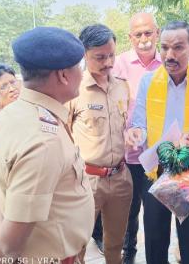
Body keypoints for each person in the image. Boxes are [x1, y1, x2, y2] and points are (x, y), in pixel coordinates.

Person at [0, 27, 95, 263]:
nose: (83, 74)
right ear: (64, 75)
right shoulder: (44, 142)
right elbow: (6, 248)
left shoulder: (13, 113)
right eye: (80, 67)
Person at [126, 21, 189, 264]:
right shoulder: (148, 82)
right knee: (155, 240)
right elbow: (140, 123)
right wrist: (136, 132)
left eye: (178, 48)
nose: (169, 55)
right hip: (155, 171)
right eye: (165, 47)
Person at [68, 24, 132, 264]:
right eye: (100, 57)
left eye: (112, 55)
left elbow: (126, 125)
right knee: (78, 245)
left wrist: (134, 133)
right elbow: (63, 135)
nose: (108, 63)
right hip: (87, 181)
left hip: (121, 178)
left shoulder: (122, 87)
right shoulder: (74, 91)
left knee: (115, 244)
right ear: (84, 55)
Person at [111, 12, 162, 263]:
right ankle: (128, 256)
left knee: (154, 214)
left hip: (156, 155)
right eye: (138, 34)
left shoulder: (167, 64)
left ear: (157, 33)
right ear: (130, 38)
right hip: (127, 155)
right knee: (127, 213)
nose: (144, 39)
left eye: (148, 33)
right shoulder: (118, 65)